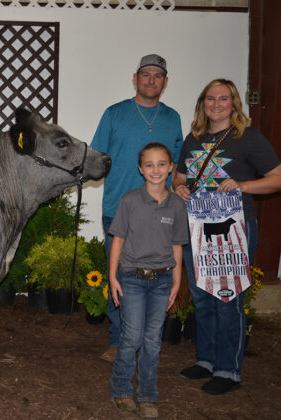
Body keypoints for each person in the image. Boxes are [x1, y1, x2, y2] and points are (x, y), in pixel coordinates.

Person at [173, 78, 281, 395]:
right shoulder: (193, 139)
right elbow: (180, 177)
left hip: (234, 229)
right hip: (197, 227)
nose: (216, 104)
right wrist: (179, 187)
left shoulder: (248, 138)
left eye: (223, 98)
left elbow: (277, 178)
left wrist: (242, 186)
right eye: (210, 98)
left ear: (234, 103)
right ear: (202, 103)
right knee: (202, 297)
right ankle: (206, 360)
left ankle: (228, 370)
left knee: (228, 299)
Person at [91, 54, 183, 362]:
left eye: (158, 75)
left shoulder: (172, 118)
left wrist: (181, 188)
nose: (151, 80)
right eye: (146, 74)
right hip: (119, 209)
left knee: (157, 276)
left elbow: (178, 166)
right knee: (118, 273)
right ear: (135, 78)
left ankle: (148, 340)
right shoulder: (114, 114)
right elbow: (97, 159)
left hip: (160, 213)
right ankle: (118, 340)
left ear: (165, 82)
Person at [109, 142, 188, 418]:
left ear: (171, 168)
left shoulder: (177, 205)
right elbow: (118, 241)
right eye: (149, 165)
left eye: (162, 164)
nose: (156, 170)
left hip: (162, 281)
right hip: (131, 278)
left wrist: (176, 281)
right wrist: (112, 277)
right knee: (131, 337)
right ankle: (121, 390)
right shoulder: (130, 201)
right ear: (141, 169)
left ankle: (147, 396)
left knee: (153, 339)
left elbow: (177, 246)